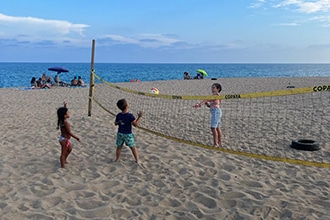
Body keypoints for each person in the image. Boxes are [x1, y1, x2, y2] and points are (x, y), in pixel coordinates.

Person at [193, 83, 223, 148]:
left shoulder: (216, 96)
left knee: (213, 128)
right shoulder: (214, 96)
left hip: (216, 112)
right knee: (217, 128)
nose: (212, 89)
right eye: (212, 87)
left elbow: (207, 99)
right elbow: (211, 105)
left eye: (214, 87)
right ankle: (219, 143)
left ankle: (216, 144)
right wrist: (207, 105)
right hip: (216, 111)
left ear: (218, 89)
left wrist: (199, 104)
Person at [114, 99, 143, 163]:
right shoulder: (130, 116)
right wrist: (139, 117)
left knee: (119, 147)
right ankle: (137, 160)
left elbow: (115, 123)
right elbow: (135, 124)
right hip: (128, 134)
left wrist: (120, 122)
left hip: (120, 133)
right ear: (127, 106)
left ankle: (117, 159)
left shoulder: (119, 115)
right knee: (133, 147)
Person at [57, 102, 81, 168]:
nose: (69, 113)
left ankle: (64, 159)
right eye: (68, 112)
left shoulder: (62, 119)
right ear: (65, 115)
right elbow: (69, 132)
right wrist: (77, 138)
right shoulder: (65, 123)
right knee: (63, 153)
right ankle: (62, 165)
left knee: (69, 149)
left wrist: (65, 106)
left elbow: (62, 112)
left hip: (65, 140)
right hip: (64, 140)